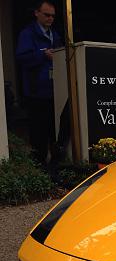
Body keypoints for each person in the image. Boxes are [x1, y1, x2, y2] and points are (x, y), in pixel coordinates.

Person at [16, 1, 64, 174]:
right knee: (38, 134)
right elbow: (21, 58)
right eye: (46, 15)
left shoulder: (55, 34)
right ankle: (39, 170)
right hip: (36, 93)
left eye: (52, 15)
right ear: (36, 13)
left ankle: (55, 167)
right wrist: (42, 55)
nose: (50, 18)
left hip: (55, 92)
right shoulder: (27, 34)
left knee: (55, 131)